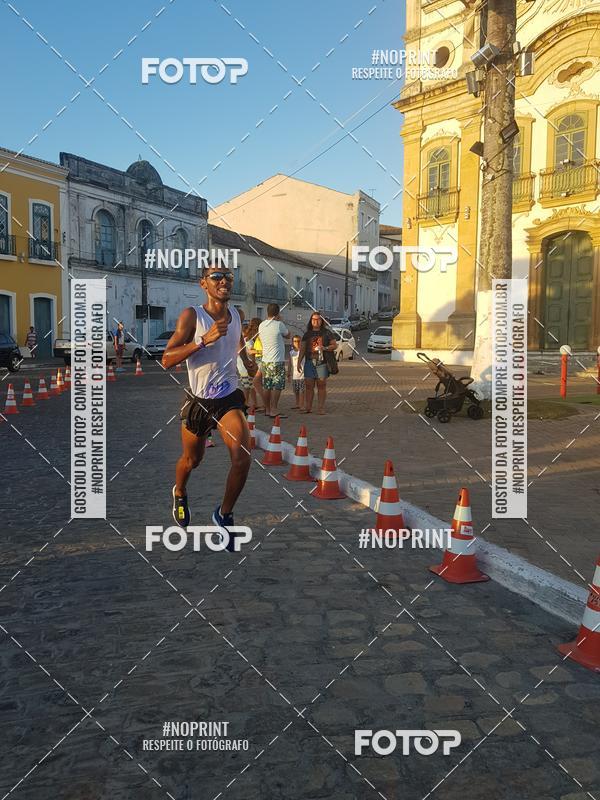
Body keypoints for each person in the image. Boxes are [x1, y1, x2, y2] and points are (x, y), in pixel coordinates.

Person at [162, 264, 257, 550]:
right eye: (216, 276)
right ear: (204, 283)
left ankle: (224, 514)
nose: (224, 281)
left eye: (228, 276)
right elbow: (166, 359)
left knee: (242, 457)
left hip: (228, 399)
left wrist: (247, 362)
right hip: (199, 401)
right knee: (192, 460)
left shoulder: (237, 314)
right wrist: (203, 341)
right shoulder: (192, 316)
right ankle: (180, 492)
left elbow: (238, 341)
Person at [297, 312, 337, 415]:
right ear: (311, 321)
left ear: (322, 321)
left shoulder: (327, 332)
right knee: (309, 385)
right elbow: (302, 349)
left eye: (318, 319)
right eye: (314, 319)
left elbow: (334, 345)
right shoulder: (307, 334)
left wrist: (325, 348)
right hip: (309, 362)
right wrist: (299, 362)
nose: (316, 321)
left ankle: (320, 408)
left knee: (321, 385)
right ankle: (308, 407)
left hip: (322, 362)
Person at [258, 303, 290, 418]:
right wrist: (279, 320)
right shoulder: (279, 324)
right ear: (278, 313)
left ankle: (267, 409)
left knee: (267, 385)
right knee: (277, 385)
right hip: (277, 360)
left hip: (265, 360)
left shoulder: (261, 325)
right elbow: (288, 335)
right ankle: (274, 409)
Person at [287, 335, 305, 410]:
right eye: (295, 341)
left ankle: (301, 405)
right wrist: (288, 373)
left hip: (303, 375)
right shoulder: (291, 353)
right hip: (295, 375)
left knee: (301, 390)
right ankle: (297, 404)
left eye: (298, 341)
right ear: (292, 342)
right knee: (296, 391)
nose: (297, 343)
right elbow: (290, 364)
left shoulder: (303, 352)